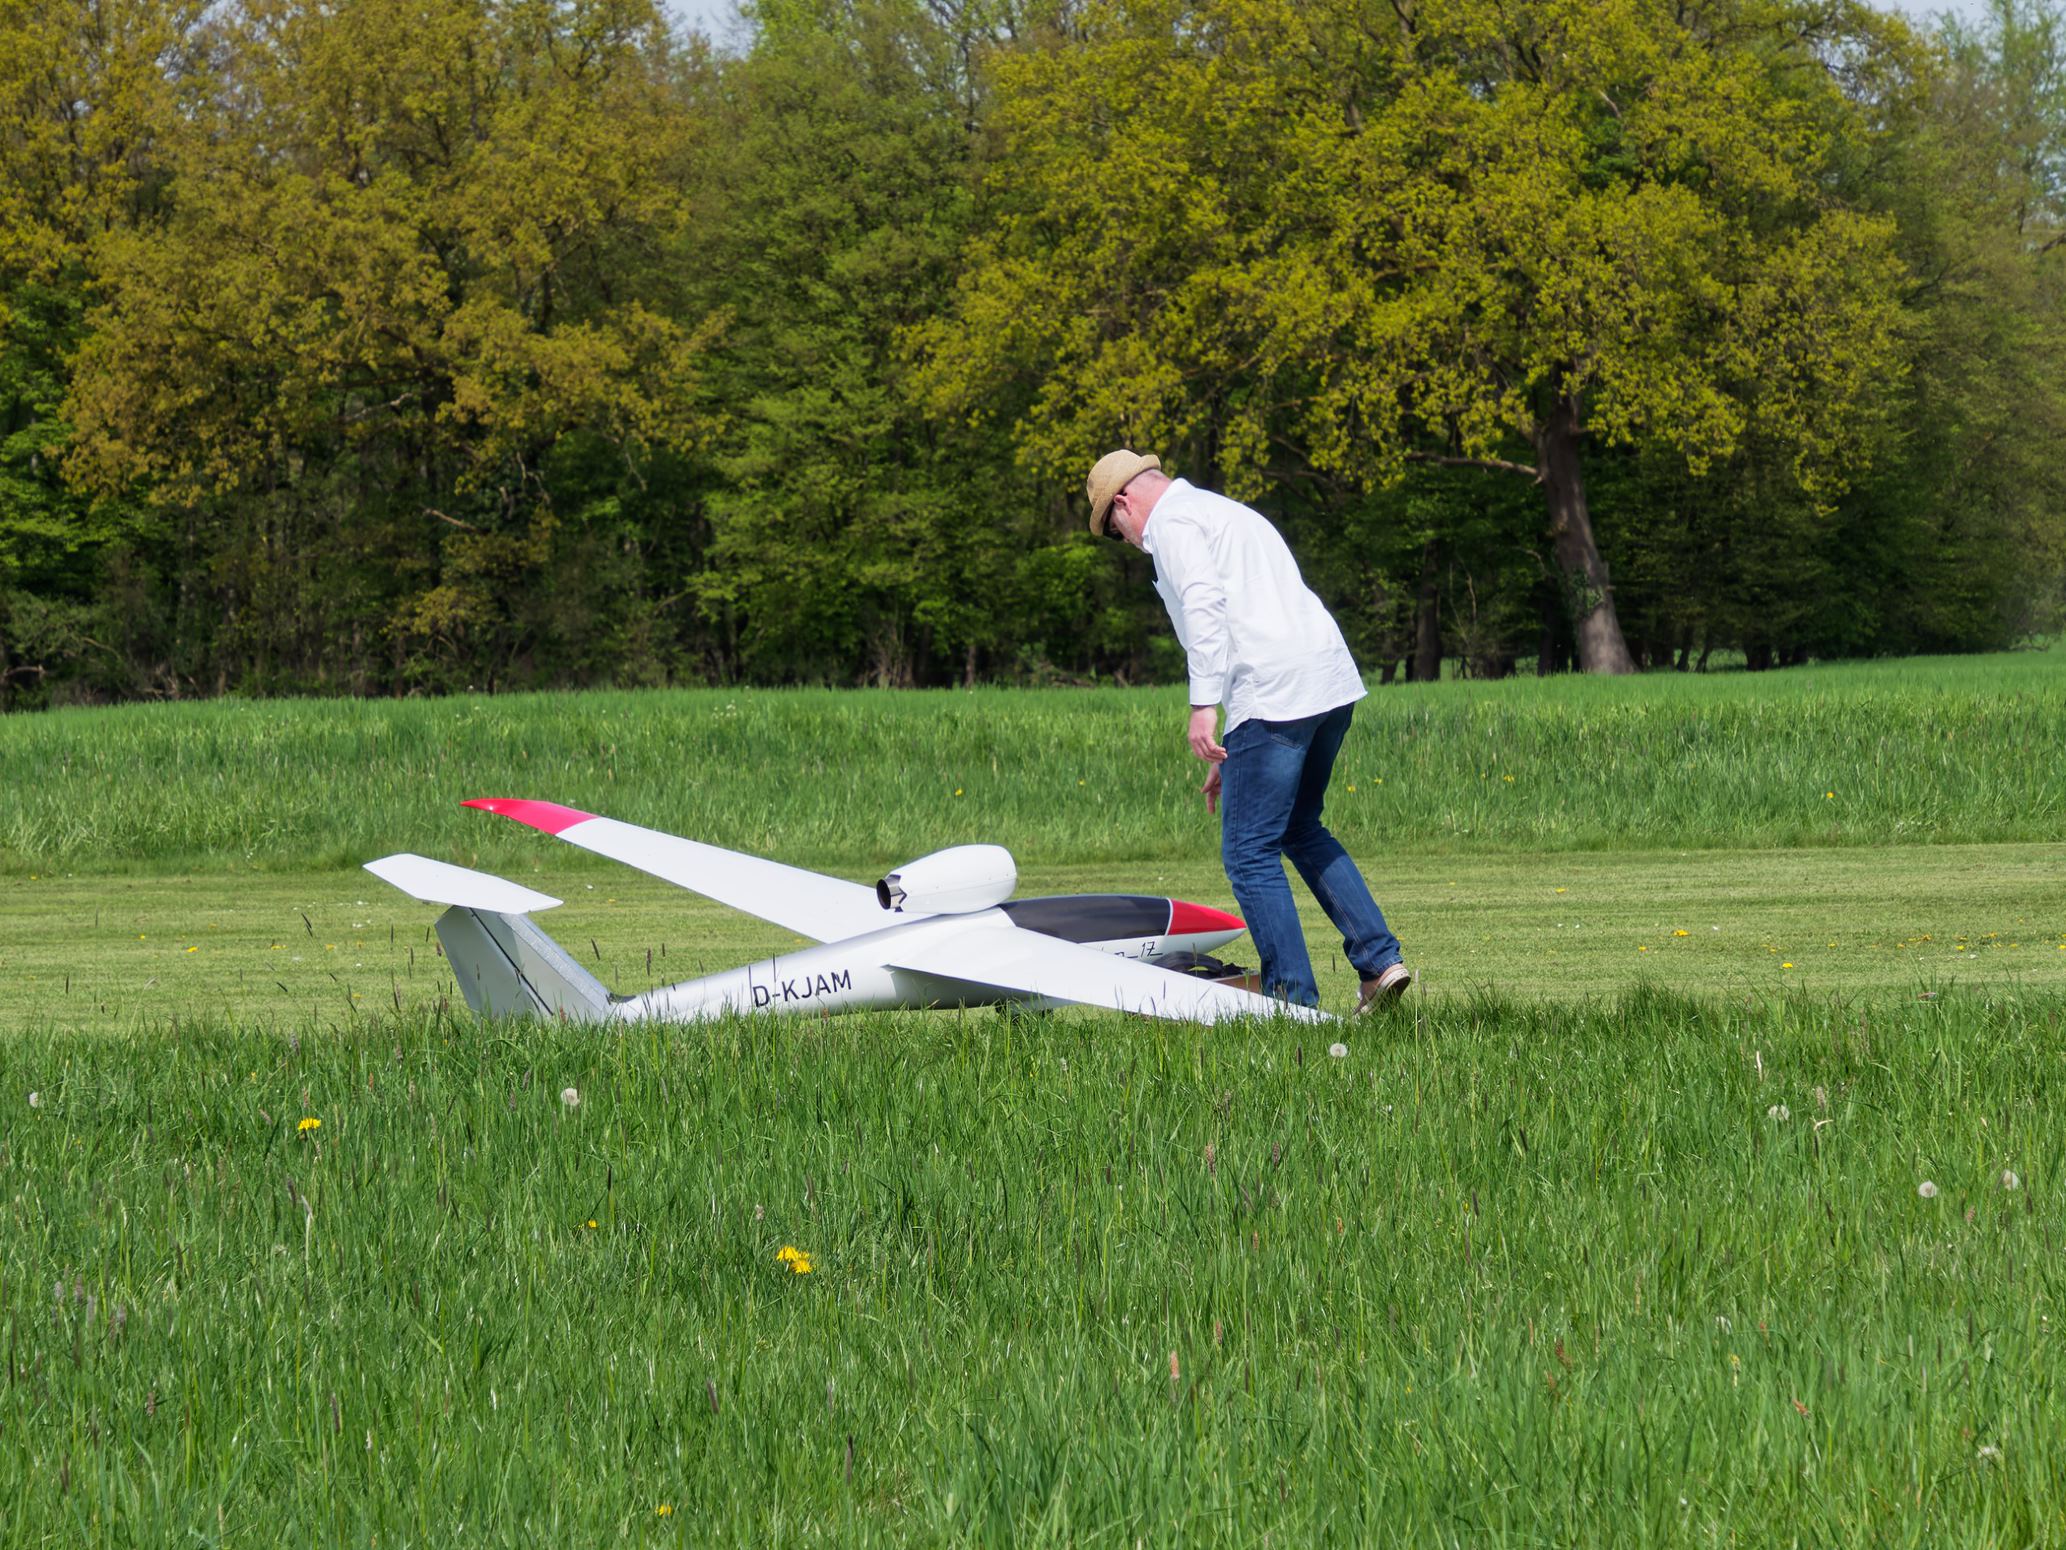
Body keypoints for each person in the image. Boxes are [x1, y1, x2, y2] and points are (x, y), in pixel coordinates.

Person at [1084, 449, 1411, 1013]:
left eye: (1115, 530)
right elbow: (1254, 612)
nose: (1128, 542)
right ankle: (1379, 963)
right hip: (1326, 682)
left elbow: (1205, 607)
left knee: (1248, 852)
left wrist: (1203, 706)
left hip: (1273, 692)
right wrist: (1232, 747)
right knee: (1300, 827)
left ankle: (1290, 1003)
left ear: (1123, 503)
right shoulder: (1225, 511)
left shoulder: (1172, 523)